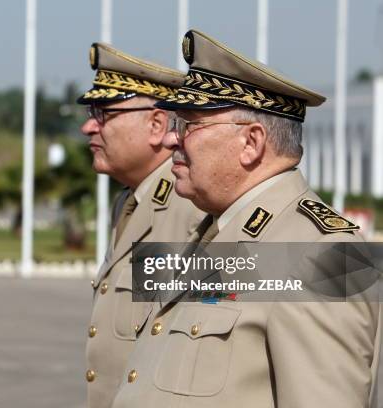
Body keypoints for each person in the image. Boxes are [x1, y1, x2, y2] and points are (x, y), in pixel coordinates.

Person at [110, 30, 381, 408]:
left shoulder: (324, 255)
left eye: (188, 126)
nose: (173, 141)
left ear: (251, 143)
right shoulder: (212, 229)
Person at [77, 42, 204, 408]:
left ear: (156, 124)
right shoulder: (130, 203)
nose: (89, 127)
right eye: (91, 112)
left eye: (104, 113)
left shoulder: (192, 208)